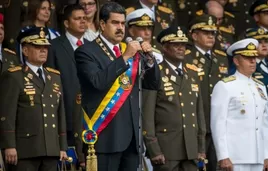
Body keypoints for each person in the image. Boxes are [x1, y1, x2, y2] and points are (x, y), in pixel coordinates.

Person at [75, 2, 160, 171]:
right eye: (115, 23)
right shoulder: (86, 51)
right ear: (102, 24)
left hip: (132, 138)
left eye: (122, 23)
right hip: (106, 136)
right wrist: (126, 56)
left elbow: (153, 84)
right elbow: (97, 81)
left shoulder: (128, 49)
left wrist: (150, 60)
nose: (120, 28)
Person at [0, 26, 68, 171]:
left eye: (45, 47)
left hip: (51, 148)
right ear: (25, 51)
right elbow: (7, 115)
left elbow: (60, 113)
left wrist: (62, 146)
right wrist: (9, 145)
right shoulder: (14, 76)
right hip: (25, 150)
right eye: (37, 46)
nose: (43, 50)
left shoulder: (54, 76)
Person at [142, 25, 206, 171]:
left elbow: (199, 113)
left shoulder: (193, 73)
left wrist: (201, 147)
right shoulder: (155, 72)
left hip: (191, 150)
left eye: (183, 45)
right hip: (167, 150)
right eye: (175, 45)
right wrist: (154, 149)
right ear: (164, 47)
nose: (180, 48)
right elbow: (147, 115)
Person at [211, 38, 268, 171]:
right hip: (235, 157)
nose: (252, 61)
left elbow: (264, 124)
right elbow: (218, 124)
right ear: (236, 61)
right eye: (247, 57)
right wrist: (223, 155)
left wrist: (267, 155)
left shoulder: (260, 86)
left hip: (258, 156)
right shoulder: (225, 86)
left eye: (254, 57)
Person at [45, 4, 88, 168]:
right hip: (67, 113)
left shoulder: (92, 45)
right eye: (77, 19)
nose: (82, 22)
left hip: (91, 117)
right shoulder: (54, 46)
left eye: (84, 18)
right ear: (66, 23)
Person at [185, 14, 228, 171]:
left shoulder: (221, 58)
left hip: (218, 123)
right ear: (194, 35)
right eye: (206, 32)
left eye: (213, 33)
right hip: (196, 124)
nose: (211, 36)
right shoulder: (186, 58)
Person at [244, 27, 268, 170]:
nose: (264, 44)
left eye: (266, 41)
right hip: (256, 125)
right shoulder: (245, 67)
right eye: (259, 42)